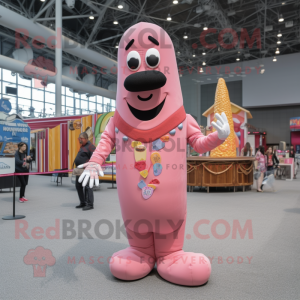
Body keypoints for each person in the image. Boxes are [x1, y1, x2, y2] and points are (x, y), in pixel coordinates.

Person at [74, 132, 96, 210]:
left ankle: (90, 204)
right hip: (79, 170)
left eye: (81, 138)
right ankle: (83, 202)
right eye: (79, 138)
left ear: (86, 139)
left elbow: (94, 159)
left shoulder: (91, 146)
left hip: (86, 170)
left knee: (88, 187)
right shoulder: (83, 146)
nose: (79, 140)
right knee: (78, 186)